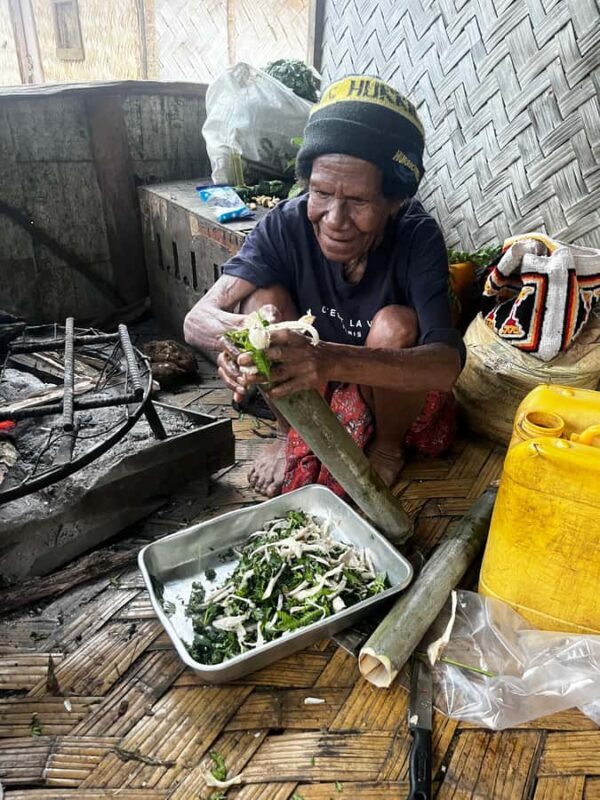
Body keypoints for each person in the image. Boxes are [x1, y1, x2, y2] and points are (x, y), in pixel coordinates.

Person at [184, 75, 466, 498]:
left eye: (358, 202)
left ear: (394, 202)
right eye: (320, 193)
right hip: (309, 375)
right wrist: (236, 342)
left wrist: (329, 359)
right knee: (260, 302)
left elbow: (445, 366)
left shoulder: (417, 237)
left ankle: (388, 449)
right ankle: (287, 434)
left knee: (396, 325)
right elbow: (196, 319)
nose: (334, 219)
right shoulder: (286, 222)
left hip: (380, 382)